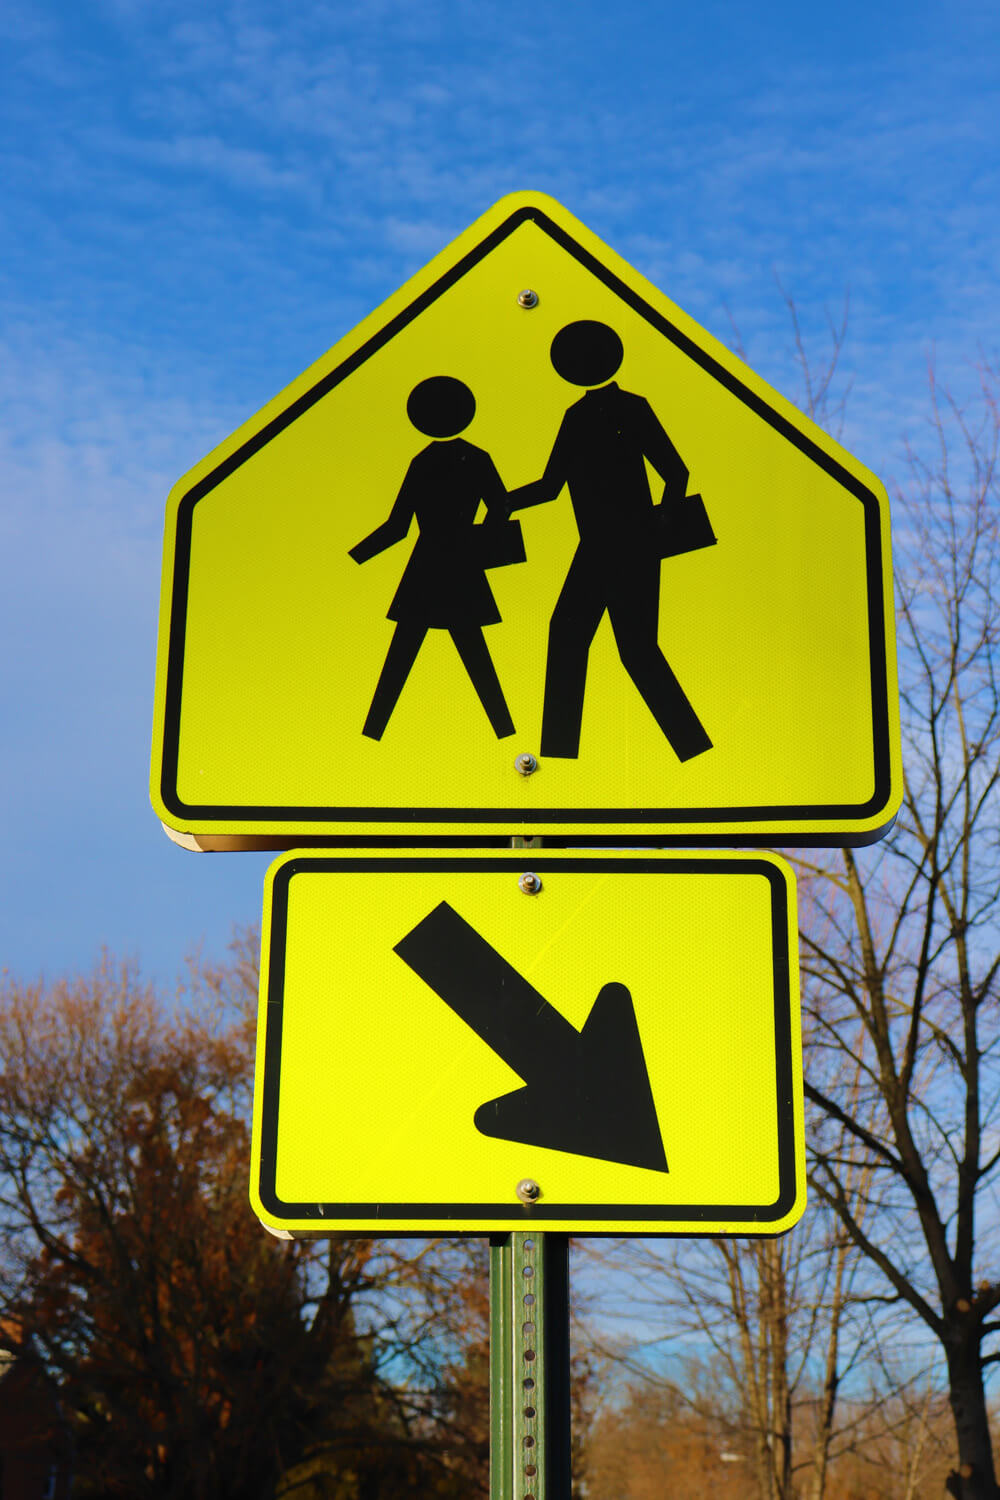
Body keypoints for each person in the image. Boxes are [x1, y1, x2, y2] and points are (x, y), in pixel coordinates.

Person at [508, 320, 712, 761]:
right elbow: (550, 485)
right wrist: (505, 502)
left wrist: (660, 527)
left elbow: (675, 472)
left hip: (633, 544)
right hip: (595, 547)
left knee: (635, 650)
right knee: (569, 635)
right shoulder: (575, 416)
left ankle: (694, 751)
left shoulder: (634, 408)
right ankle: (560, 757)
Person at [350, 375, 517, 741]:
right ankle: (505, 733)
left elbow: (398, 526)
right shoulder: (475, 458)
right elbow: (500, 507)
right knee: (470, 651)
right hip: (460, 564)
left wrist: (357, 556)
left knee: (405, 653)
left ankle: (372, 733)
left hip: (427, 567)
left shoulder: (423, 461)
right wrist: (479, 542)